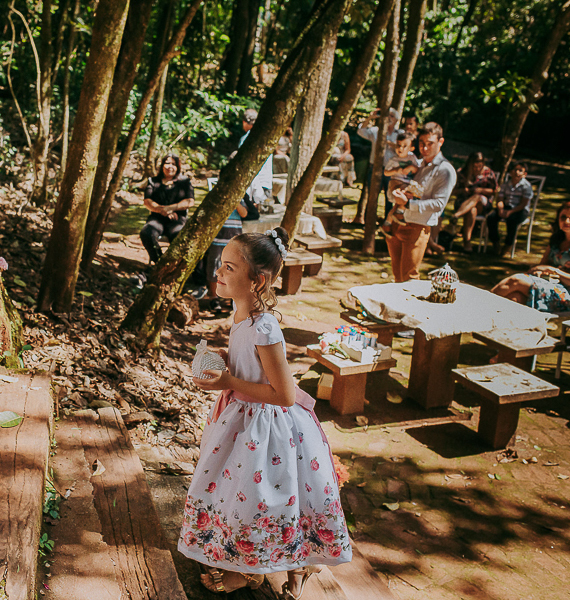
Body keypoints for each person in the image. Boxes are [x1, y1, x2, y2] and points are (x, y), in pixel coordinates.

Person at [179, 228, 352, 598]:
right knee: (237, 496)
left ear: (257, 280)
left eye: (228, 267)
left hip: (267, 428)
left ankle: (282, 570)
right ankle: (250, 566)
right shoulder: (239, 310)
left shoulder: (266, 326)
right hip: (240, 417)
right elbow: (248, 366)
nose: (218, 273)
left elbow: (284, 395)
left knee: (265, 497)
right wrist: (227, 366)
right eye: (219, 265)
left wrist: (229, 380)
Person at [386, 122, 456, 283]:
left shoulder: (445, 170)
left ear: (441, 142)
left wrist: (408, 204)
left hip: (417, 227)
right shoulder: (418, 164)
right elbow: (405, 188)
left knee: (409, 279)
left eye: (430, 143)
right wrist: (395, 194)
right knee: (397, 278)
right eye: (422, 143)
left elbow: (439, 204)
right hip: (397, 222)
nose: (425, 148)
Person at [490, 200, 570, 312]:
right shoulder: (556, 239)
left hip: (566, 295)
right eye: (563, 217)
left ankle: (476, 308)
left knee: (515, 280)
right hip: (547, 285)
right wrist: (540, 271)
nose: (567, 221)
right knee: (513, 298)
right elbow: (542, 265)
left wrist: (554, 271)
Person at [139, 153, 195, 264]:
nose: (170, 166)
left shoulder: (184, 182)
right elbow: (147, 201)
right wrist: (162, 210)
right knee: (146, 233)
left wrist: (170, 208)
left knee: (179, 236)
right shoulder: (153, 181)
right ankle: (159, 263)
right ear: (162, 165)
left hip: (177, 219)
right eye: (167, 163)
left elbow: (190, 201)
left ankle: (174, 266)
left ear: (177, 167)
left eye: (173, 164)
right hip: (156, 218)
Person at [354, 107, 400, 223]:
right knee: (372, 197)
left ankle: (386, 223)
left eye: (392, 116)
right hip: (374, 168)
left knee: (390, 198)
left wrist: (391, 144)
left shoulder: (400, 134)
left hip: (392, 170)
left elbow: (406, 148)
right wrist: (370, 117)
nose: (389, 118)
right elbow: (360, 131)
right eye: (387, 115)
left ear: (396, 120)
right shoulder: (376, 131)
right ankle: (369, 223)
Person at [449, 152, 497, 252]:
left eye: (479, 166)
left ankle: (456, 216)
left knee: (477, 197)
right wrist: (463, 190)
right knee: (472, 210)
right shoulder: (462, 172)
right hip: (463, 202)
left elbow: (495, 191)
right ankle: (467, 242)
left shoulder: (488, 173)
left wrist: (481, 190)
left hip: (482, 204)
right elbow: (452, 191)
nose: (477, 169)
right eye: (474, 166)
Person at [485, 162, 533, 256]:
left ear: (525, 174)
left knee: (512, 220)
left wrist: (510, 212)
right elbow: (500, 199)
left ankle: (508, 243)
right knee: (491, 217)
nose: (517, 172)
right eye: (515, 170)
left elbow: (523, 204)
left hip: (520, 210)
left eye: (520, 170)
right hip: (506, 206)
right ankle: (495, 241)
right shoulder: (505, 185)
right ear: (511, 172)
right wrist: (501, 210)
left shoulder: (526, 186)